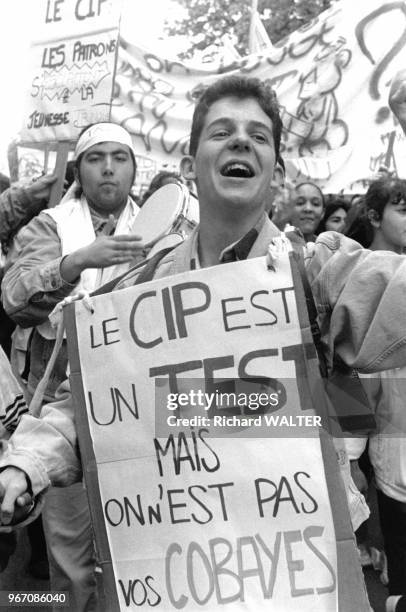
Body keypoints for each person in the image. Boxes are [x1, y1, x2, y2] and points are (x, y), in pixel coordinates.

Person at [1, 74, 406, 605]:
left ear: (277, 173)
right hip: (175, 571)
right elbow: (89, 406)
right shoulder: (139, 289)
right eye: (221, 132)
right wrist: (26, 464)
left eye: (258, 136)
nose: (240, 141)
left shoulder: (319, 270)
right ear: (190, 167)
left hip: (301, 566)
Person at [1, 122, 144, 612]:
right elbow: (15, 299)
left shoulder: (164, 228)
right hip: (63, 417)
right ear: (79, 170)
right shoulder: (49, 226)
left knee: (138, 550)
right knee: (70, 559)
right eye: (96, 157)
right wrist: (76, 262)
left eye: (119, 157)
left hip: (139, 415)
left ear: (133, 167)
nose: (108, 167)